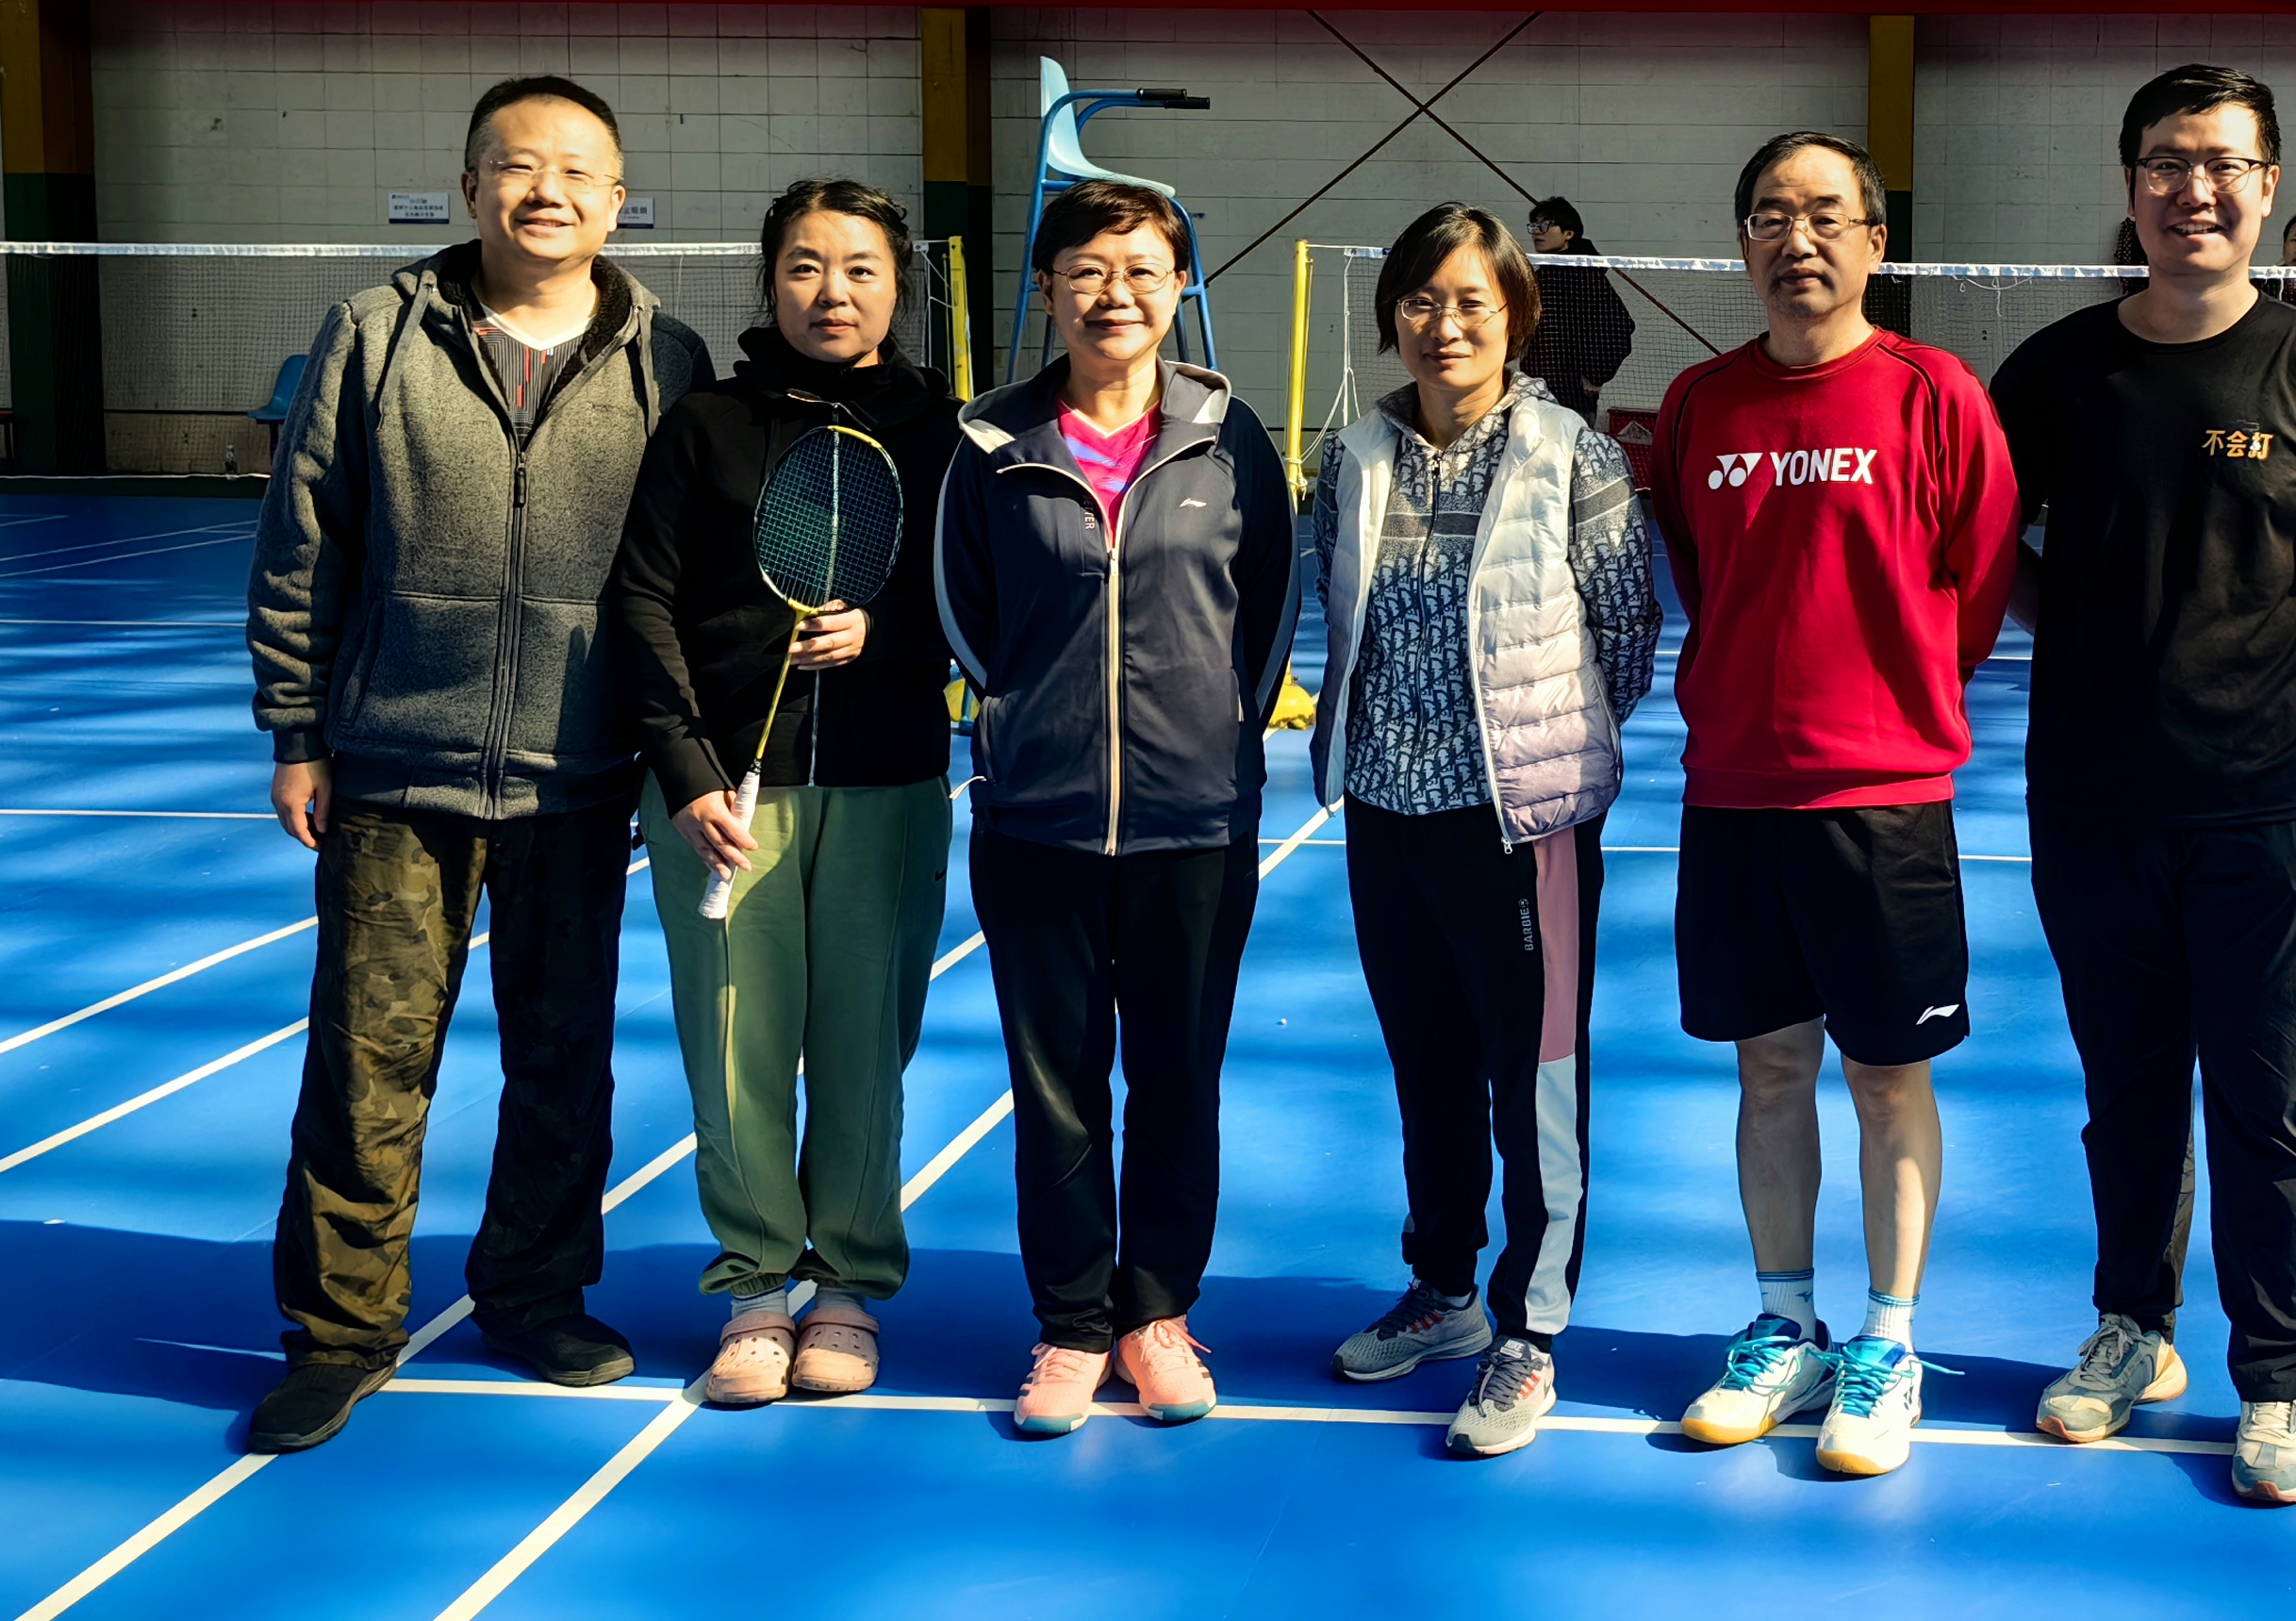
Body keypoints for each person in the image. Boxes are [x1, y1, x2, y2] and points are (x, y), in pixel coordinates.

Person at [242, 76, 714, 1455]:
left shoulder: (670, 359)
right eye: (516, 165)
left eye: (575, 170)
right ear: (470, 189)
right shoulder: (373, 333)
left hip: (584, 774)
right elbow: (303, 538)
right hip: (395, 770)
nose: (544, 190)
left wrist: (678, 748)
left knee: (564, 1065)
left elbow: (692, 574)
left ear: (618, 201)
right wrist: (297, 728)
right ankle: (340, 1335)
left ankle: (534, 1294)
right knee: (365, 1069)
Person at [1990, 64, 2296, 1509]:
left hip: (2262, 810)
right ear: (2130, 187)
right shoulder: (2055, 371)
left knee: (2267, 1102)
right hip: (2094, 801)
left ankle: (2281, 1382)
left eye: (2225, 164)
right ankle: (2133, 1329)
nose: (2196, 190)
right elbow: (1988, 555)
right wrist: (2089, 640)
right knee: (2126, 1094)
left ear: (2269, 187)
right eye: (2168, 164)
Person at [1644, 131, 2019, 1480]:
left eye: (1821, 214)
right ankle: (1783, 1325)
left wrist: (1885, 702)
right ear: (1741, 241)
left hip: (1882, 799)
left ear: (1872, 239)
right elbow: (1699, 568)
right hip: (1735, 791)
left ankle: (1888, 1340)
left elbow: (1978, 584)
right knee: (1768, 1067)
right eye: (1767, 215)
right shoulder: (1698, 403)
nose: (1793, 239)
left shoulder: (1935, 393)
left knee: (1885, 1074)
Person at [938, 181, 1298, 1438]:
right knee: (1056, 1090)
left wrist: (1222, 738)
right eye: (1088, 269)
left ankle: (1156, 1316)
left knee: (1179, 1081)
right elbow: (963, 607)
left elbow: (1267, 608)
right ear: (1047, 287)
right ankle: (1071, 1324)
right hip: (1036, 822)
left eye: (1144, 269)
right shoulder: (990, 443)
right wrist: (1020, 720)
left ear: (1178, 286)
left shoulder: (1228, 435)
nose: (1116, 293)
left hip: (1194, 824)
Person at [1311, 207, 1659, 1456]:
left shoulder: (1573, 454)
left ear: (1515, 316)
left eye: (1472, 300)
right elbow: (1337, 613)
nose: (1444, 323)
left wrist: (1548, 753)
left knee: (1538, 1077)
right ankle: (1445, 1290)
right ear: (1392, 316)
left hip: (1523, 824)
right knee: (1428, 1069)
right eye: (1421, 299)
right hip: (1385, 816)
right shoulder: (1352, 456)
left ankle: (1531, 1328)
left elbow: (1626, 630)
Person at [609, 179, 959, 1410]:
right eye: (806, 266)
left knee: (865, 1051)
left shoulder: (944, 434)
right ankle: (756, 1289)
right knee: (735, 1047)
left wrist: (891, 633)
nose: (832, 292)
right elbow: (640, 598)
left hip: (886, 783)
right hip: (722, 800)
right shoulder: (705, 425)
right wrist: (685, 768)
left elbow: (984, 599)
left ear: (898, 287)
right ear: (770, 281)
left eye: (861, 268)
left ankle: (849, 1285)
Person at [1521, 196, 1638, 429]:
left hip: (1573, 398)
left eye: (1545, 225)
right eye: (1534, 226)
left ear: (1569, 234)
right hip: (1535, 391)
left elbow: (1621, 326)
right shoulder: (1539, 277)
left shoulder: (1586, 277)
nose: (1537, 232)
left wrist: (1596, 375)